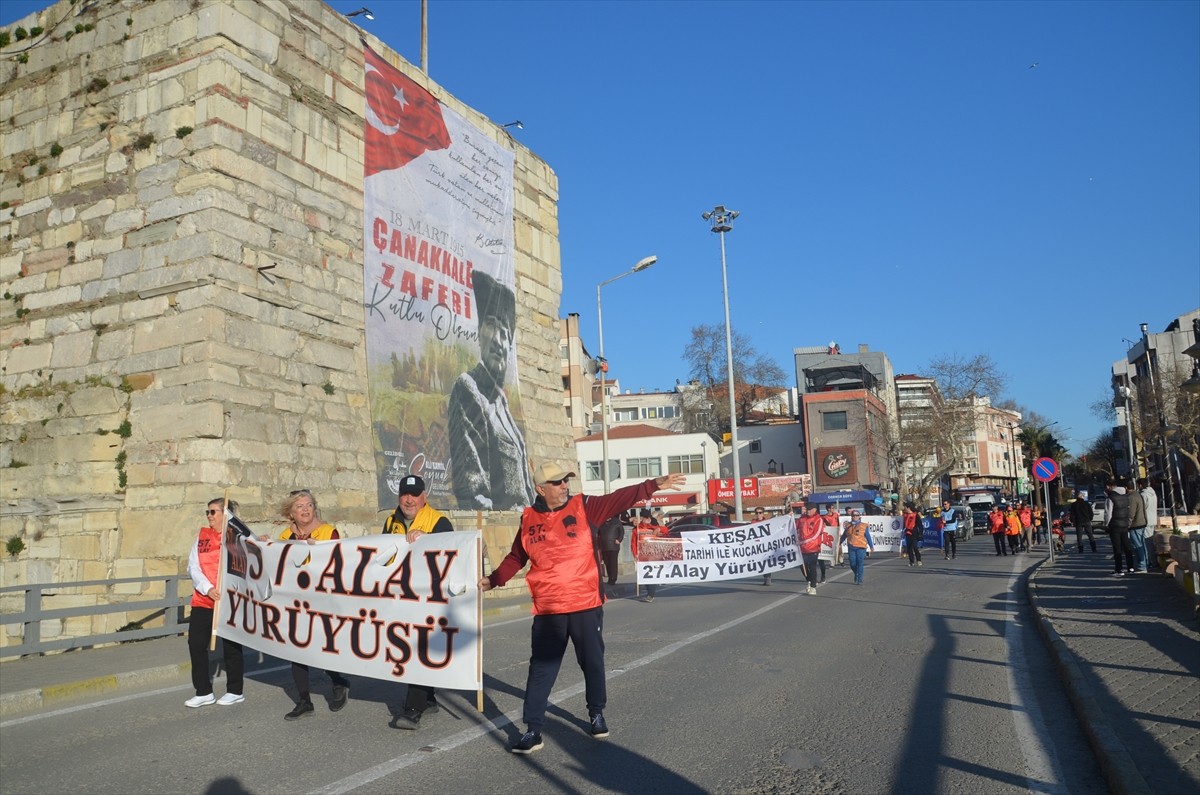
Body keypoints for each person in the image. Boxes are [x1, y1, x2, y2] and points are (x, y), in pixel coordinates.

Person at [478, 463, 687, 754]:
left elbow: (619, 498)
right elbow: (517, 555)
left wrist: (651, 485)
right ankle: (533, 730)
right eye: (558, 482)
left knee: (591, 661)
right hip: (549, 609)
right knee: (541, 669)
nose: (565, 485)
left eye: (566, 480)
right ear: (541, 489)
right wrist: (494, 580)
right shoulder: (528, 519)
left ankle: (596, 713)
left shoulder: (585, 506)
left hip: (584, 604)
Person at [447, 271, 536, 512]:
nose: (499, 340)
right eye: (491, 326)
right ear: (478, 332)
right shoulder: (469, 388)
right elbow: (473, 492)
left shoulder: (502, 405)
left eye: (506, 334)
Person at [383, 475, 454, 730]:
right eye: (404, 494)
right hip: (402, 598)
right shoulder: (391, 521)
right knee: (408, 649)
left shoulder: (439, 522)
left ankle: (412, 709)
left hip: (429, 601)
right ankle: (429, 698)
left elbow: (451, 554)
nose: (409, 499)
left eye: (414, 494)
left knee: (418, 650)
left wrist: (428, 540)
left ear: (424, 496)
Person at [274, 489, 352, 720]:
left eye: (309, 505)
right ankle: (304, 700)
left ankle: (338, 682)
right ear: (291, 512)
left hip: (322, 600)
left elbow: (340, 562)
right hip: (296, 601)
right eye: (299, 506)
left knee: (321, 646)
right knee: (297, 649)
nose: (305, 510)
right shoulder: (286, 534)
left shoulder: (328, 531)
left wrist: (319, 550)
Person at [185, 498, 246, 708]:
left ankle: (235, 690)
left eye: (213, 512)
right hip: (203, 599)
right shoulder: (202, 537)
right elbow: (193, 566)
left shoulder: (237, 538)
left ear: (225, 514)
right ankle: (203, 691)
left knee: (231, 646)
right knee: (195, 644)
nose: (209, 516)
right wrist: (207, 588)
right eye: (207, 512)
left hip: (228, 600)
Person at [630, 508, 668, 602]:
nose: (646, 520)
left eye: (646, 518)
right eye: (644, 518)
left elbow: (666, 531)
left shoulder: (652, 527)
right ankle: (649, 592)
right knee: (644, 574)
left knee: (651, 574)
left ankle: (650, 594)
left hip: (653, 555)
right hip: (642, 555)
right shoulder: (637, 529)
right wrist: (635, 554)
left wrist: (659, 528)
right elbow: (633, 543)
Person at [1104, 479, 1135, 576]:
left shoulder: (1110, 498)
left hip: (1115, 525)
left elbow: (1108, 514)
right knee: (1126, 545)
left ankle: (1119, 569)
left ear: (1109, 486)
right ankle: (1130, 567)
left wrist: (1106, 524)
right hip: (1124, 524)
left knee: (1117, 547)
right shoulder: (1126, 496)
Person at [796, 504, 826, 594]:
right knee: (802, 566)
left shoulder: (818, 519)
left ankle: (813, 586)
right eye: (807, 509)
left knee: (812, 566)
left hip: (813, 547)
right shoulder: (801, 519)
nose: (807, 511)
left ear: (814, 509)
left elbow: (816, 534)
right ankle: (809, 580)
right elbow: (794, 527)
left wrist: (803, 541)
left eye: (809, 509)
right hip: (802, 548)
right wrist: (790, 517)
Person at [839, 509, 874, 585]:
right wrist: (839, 543)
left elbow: (868, 536)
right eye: (854, 516)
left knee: (860, 563)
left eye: (857, 516)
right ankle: (856, 573)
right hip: (851, 547)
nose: (855, 517)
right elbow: (845, 535)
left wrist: (871, 546)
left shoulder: (863, 526)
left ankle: (860, 579)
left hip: (861, 547)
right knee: (852, 563)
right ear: (851, 517)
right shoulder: (848, 526)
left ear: (859, 517)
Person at [1124, 478, 1149, 573]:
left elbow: (1131, 513)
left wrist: (1128, 524)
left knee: (1137, 545)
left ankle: (1142, 566)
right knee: (1142, 544)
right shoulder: (1138, 495)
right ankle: (1145, 563)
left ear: (1126, 488)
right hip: (1142, 522)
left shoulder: (1131, 497)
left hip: (1135, 524)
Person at [596, 515, 624, 594]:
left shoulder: (616, 521)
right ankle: (609, 577)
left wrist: (619, 539)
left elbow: (621, 531)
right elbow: (597, 531)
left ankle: (613, 578)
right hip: (604, 546)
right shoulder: (602, 522)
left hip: (613, 546)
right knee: (607, 563)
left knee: (613, 563)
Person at [1138, 479, 1159, 570]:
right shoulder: (1153, 494)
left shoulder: (1143, 495)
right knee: (1150, 541)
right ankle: (1153, 561)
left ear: (1140, 485)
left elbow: (1141, 508)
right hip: (1153, 519)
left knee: (1147, 543)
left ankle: (1151, 562)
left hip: (1146, 520)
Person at [752, 507, 773, 585]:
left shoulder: (767, 522)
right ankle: (765, 577)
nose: (758, 514)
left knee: (766, 561)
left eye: (760, 512)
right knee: (760, 562)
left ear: (763, 513)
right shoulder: (753, 522)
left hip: (766, 545)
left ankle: (768, 577)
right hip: (756, 545)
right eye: (757, 513)